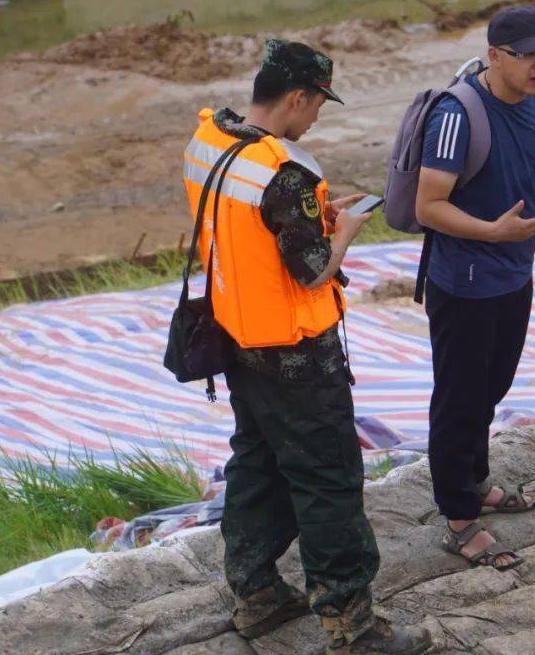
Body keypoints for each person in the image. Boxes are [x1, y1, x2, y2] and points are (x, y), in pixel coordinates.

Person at [181, 40, 431, 655]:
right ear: (297, 97)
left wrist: (314, 213)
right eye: (318, 102)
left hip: (239, 338)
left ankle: (257, 596)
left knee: (258, 464)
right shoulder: (284, 171)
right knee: (327, 478)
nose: (317, 115)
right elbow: (313, 269)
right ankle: (352, 625)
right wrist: (341, 231)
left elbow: (253, 232)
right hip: (297, 351)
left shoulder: (210, 140)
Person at [414, 5, 535, 570]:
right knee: (460, 395)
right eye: (529, 54)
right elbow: (428, 205)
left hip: (514, 271)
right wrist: (492, 232)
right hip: (464, 282)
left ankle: (476, 480)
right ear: (494, 56)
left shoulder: (534, 101)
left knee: (494, 383)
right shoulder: (457, 115)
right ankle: (459, 517)